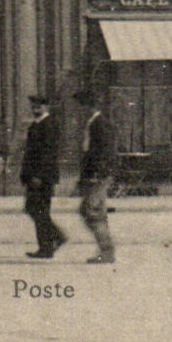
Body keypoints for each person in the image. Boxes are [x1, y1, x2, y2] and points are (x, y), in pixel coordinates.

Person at [73, 88, 116, 264]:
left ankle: (107, 251)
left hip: (98, 176)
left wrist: (97, 174)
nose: (78, 111)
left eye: (79, 107)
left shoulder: (99, 123)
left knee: (91, 211)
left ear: (86, 107)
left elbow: (103, 152)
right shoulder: (93, 122)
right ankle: (106, 251)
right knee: (96, 212)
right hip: (95, 175)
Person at [21, 94, 66, 259]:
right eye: (33, 106)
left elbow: (48, 153)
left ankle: (51, 243)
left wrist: (39, 175)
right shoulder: (36, 125)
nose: (35, 109)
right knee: (35, 209)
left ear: (46, 107)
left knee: (38, 209)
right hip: (35, 176)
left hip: (42, 177)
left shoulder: (49, 125)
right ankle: (49, 244)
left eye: (38, 106)